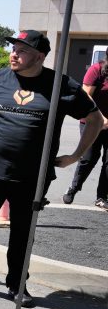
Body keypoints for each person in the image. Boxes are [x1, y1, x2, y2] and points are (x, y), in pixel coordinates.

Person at [0, 30, 102, 306]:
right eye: (13, 49)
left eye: (21, 50)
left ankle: (16, 284)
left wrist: (76, 155)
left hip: (32, 175)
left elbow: (94, 119)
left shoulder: (61, 86)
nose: (14, 54)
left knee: (22, 231)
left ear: (40, 56)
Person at [63, 58, 108, 208]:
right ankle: (73, 188)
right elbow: (86, 96)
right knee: (89, 157)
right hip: (92, 121)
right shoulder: (96, 70)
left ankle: (102, 197)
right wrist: (101, 118)